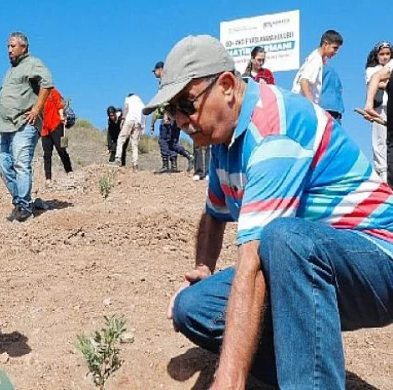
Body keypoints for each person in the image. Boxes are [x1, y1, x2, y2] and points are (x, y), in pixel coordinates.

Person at [143, 34, 393, 389]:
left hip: (377, 258)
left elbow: (255, 262)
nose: (181, 119)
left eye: (186, 103)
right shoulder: (223, 142)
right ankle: (309, 373)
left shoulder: (275, 127)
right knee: (194, 307)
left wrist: (229, 377)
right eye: (172, 111)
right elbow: (214, 215)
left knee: (283, 238)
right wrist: (203, 267)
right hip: (309, 266)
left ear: (227, 86)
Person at [0, 31, 53, 222]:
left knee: (21, 163)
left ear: (24, 47)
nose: (9, 50)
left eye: (12, 46)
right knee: (2, 162)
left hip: (24, 123)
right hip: (5, 126)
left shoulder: (32, 63)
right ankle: (21, 200)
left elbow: (47, 82)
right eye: (7, 47)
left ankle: (24, 208)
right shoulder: (11, 70)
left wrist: (37, 108)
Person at [365, 44, 393, 189]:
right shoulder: (372, 70)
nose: (385, 57)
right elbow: (377, 83)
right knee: (379, 140)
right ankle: (382, 174)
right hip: (378, 108)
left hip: (389, 107)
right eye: (381, 54)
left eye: (387, 54)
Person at [292, 30, 343, 104]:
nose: (336, 52)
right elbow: (304, 81)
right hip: (302, 104)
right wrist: (311, 104)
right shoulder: (316, 59)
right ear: (325, 44)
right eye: (334, 48)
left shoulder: (316, 57)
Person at [41, 87, 72, 185]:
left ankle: (69, 171)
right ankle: (48, 178)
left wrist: (62, 116)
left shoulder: (52, 91)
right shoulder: (36, 95)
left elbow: (60, 105)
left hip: (56, 124)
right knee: (47, 154)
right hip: (44, 129)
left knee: (61, 149)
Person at [114, 93, 145, 171]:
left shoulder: (128, 99)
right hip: (138, 123)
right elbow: (145, 114)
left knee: (121, 139)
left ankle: (118, 158)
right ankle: (135, 165)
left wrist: (123, 119)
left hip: (129, 120)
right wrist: (143, 126)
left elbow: (126, 108)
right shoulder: (140, 102)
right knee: (134, 144)